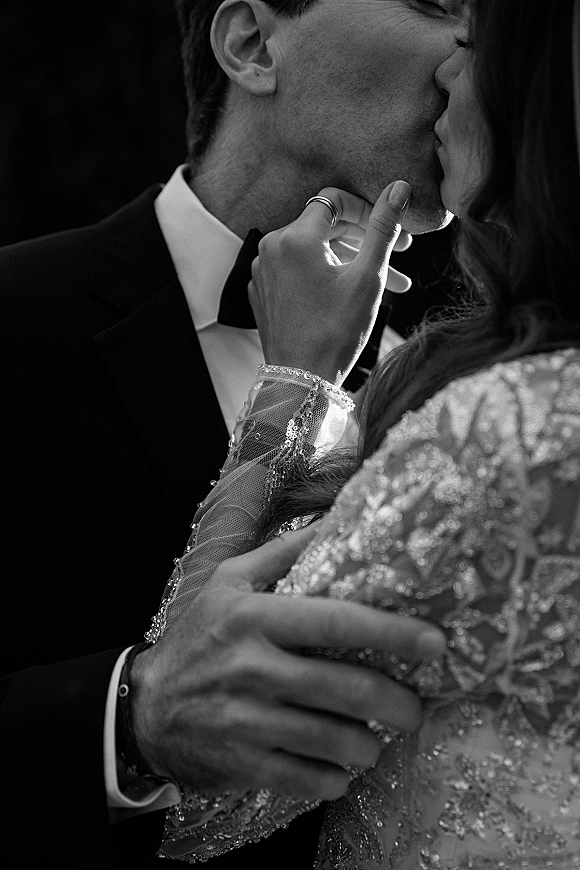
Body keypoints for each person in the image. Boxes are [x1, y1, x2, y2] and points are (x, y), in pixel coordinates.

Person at [0, 1, 467, 867]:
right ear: (252, 43)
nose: (475, 49)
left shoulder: (459, 403)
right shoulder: (16, 323)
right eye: (438, 4)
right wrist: (126, 723)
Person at [138, 0, 580, 866]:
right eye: (432, 2)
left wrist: (296, 388)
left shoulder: (490, 420)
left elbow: (193, 789)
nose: (457, 52)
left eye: (482, 31)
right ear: (255, 44)